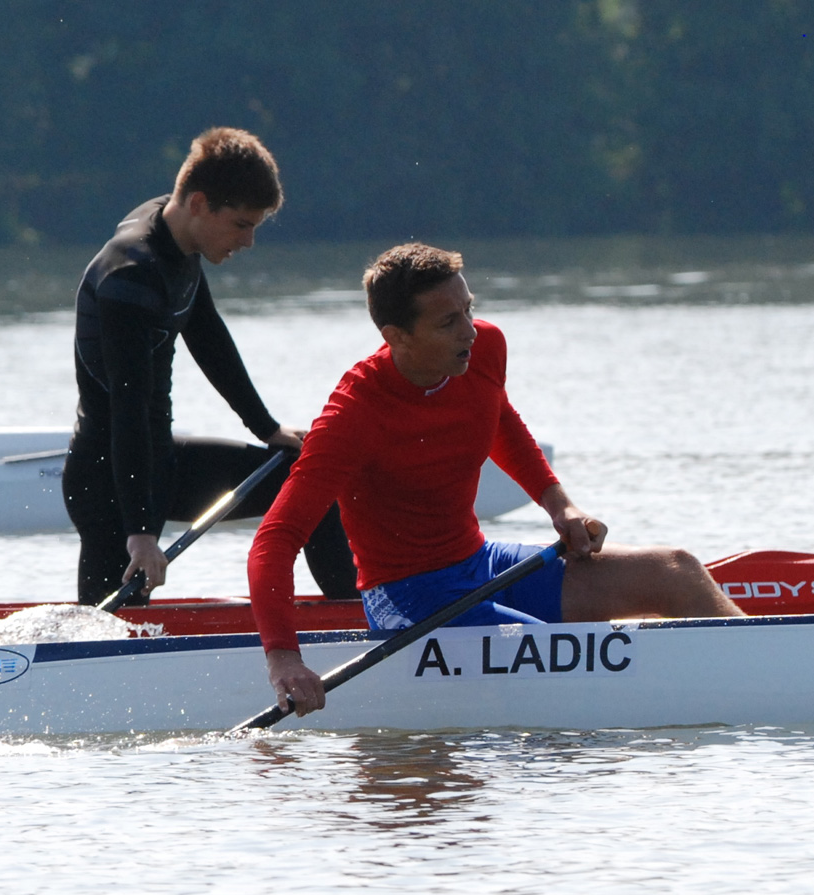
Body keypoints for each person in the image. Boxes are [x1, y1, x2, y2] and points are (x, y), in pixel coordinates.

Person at [248, 243, 744, 715]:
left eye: (468, 308)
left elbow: (498, 420)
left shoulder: (484, 350)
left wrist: (559, 505)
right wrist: (284, 659)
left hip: (480, 564)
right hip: (405, 596)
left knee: (675, 569)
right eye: (449, 321)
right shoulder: (352, 416)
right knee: (562, 659)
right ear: (397, 336)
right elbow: (274, 540)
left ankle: (768, 674)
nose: (470, 331)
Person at [65, 126, 356, 606]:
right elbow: (129, 409)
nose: (249, 241)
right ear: (199, 203)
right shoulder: (130, 278)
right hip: (111, 481)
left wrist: (268, 429)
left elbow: (209, 338)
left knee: (309, 481)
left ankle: (357, 613)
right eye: (242, 224)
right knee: (107, 631)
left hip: (161, 461)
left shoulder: (178, 235)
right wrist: (139, 533)